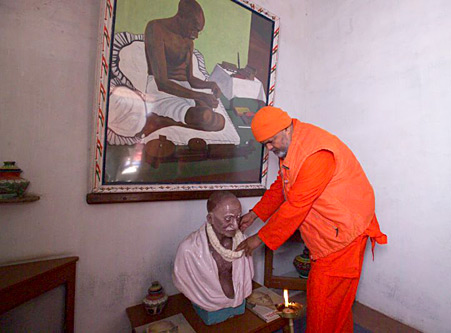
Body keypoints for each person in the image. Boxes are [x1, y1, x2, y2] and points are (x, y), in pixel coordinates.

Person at [236, 106, 387, 333]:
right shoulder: (290, 145)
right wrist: (255, 214)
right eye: (264, 144)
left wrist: (259, 238)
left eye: (271, 141)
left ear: (286, 129)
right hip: (333, 230)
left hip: (344, 235)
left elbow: (296, 206)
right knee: (334, 305)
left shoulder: (316, 154)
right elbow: (282, 185)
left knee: (322, 306)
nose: (269, 148)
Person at [139, 0, 225, 137]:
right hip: (162, 92)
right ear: (181, 18)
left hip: (185, 92)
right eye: (194, 29)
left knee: (219, 122)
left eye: (198, 32)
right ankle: (159, 121)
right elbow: (161, 82)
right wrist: (200, 95)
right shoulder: (156, 28)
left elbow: (190, 79)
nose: (195, 36)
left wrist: (211, 84)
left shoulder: (188, 42)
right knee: (205, 117)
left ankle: (166, 122)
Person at [173, 191, 254, 314]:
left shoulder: (243, 242)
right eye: (228, 219)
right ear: (210, 218)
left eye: (238, 217)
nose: (235, 225)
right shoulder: (189, 250)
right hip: (207, 304)